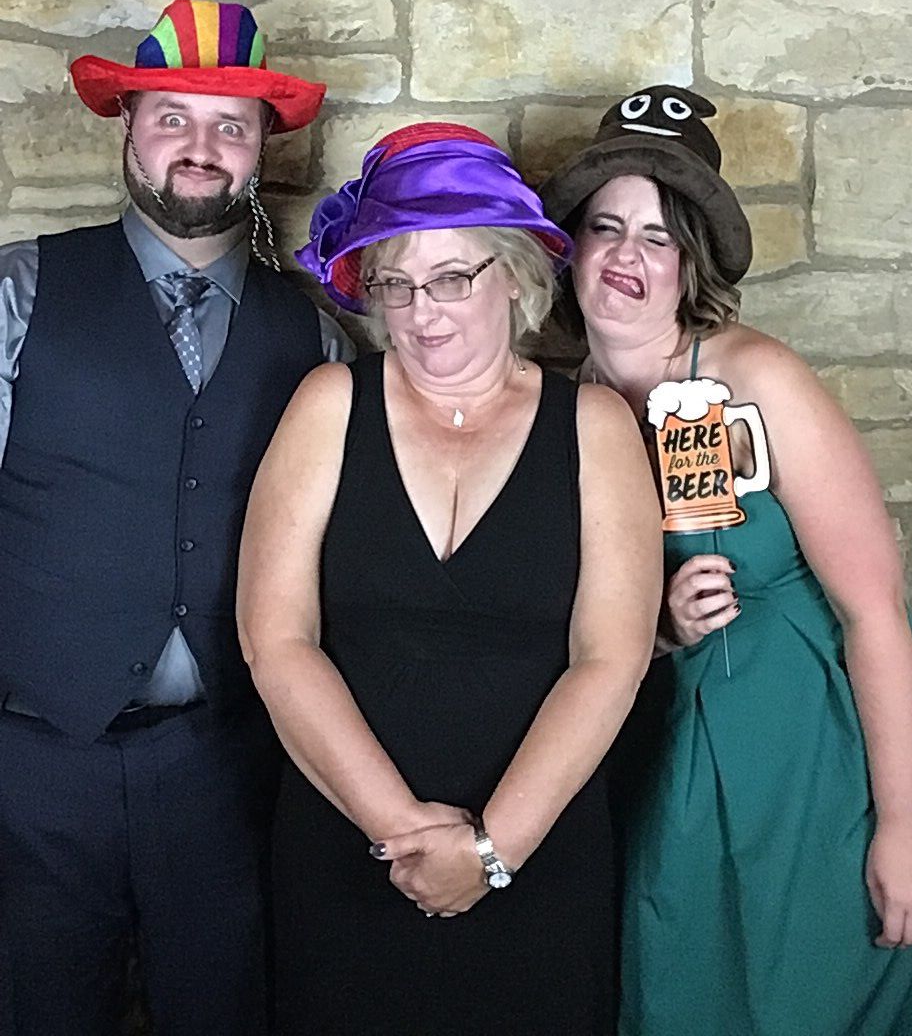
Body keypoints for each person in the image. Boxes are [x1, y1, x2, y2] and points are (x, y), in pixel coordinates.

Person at [540, 85, 912, 1036]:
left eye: (658, 236)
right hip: (677, 749)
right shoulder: (563, 407)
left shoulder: (756, 376)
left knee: (816, 991)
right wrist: (660, 628)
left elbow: (874, 611)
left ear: (692, 260)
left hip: (817, 747)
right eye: (607, 228)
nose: (627, 257)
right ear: (571, 247)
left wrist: (906, 827)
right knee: (691, 985)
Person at [236, 121, 663, 1036]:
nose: (420, 311)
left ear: (515, 274)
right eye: (395, 284)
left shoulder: (594, 426)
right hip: (349, 845)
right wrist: (402, 831)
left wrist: (492, 851)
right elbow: (274, 640)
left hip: (539, 850)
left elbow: (611, 659)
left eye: (451, 278)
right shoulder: (328, 405)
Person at [0, 0, 354, 1036]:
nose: (199, 146)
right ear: (129, 128)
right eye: (172, 117)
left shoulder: (318, 339)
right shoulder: (21, 292)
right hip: (32, 763)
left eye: (229, 125)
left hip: (228, 766)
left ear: (260, 150)